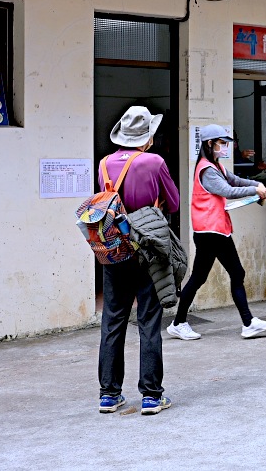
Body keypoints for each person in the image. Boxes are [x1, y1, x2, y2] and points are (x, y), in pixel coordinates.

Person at [98, 106, 180, 415]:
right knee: (148, 321)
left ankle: (109, 394)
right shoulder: (154, 161)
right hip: (148, 247)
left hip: (116, 248)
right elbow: (172, 202)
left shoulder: (104, 164)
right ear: (147, 137)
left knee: (113, 320)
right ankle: (150, 395)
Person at [167, 125, 266, 341]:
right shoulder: (206, 170)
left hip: (212, 230)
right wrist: (256, 190)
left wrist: (257, 184)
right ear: (210, 144)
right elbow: (228, 190)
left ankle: (179, 322)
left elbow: (235, 180)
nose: (225, 147)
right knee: (236, 273)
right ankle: (248, 323)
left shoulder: (215, 166)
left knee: (199, 277)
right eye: (221, 143)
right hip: (212, 231)